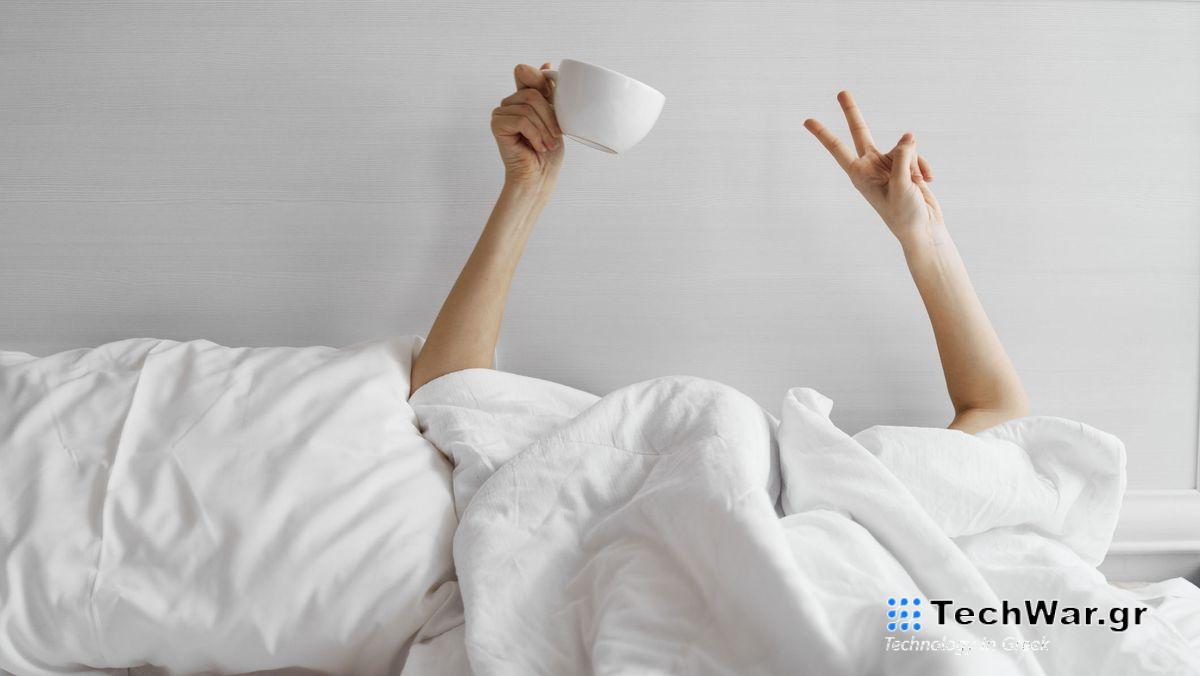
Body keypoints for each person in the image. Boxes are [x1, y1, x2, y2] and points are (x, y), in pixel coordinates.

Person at [409, 63, 1029, 433]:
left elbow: (450, 394)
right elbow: (998, 413)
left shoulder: (827, 506)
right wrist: (527, 186)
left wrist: (923, 234)